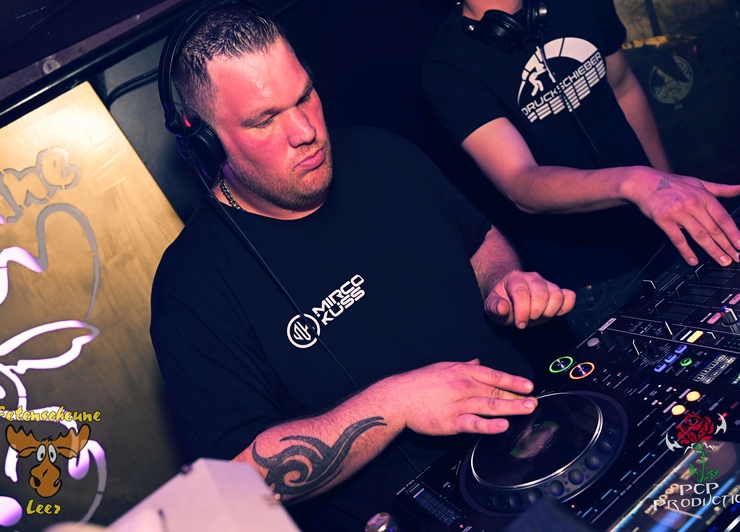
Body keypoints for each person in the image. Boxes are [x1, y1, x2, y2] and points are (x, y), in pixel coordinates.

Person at [149, 2, 576, 530]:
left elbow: (480, 240)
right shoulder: (192, 285)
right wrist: (396, 403)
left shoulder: (383, 153)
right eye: (265, 119)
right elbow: (236, 481)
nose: (305, 130)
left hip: (546, 449)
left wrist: (502, 281)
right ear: (205, 140)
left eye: (305, 95)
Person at [422, 0, 740, 340]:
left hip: (665, 234)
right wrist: (636, 182)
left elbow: (624, 89)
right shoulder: (449, 65)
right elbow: (520, 181)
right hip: (595, 281)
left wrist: (672, 192)